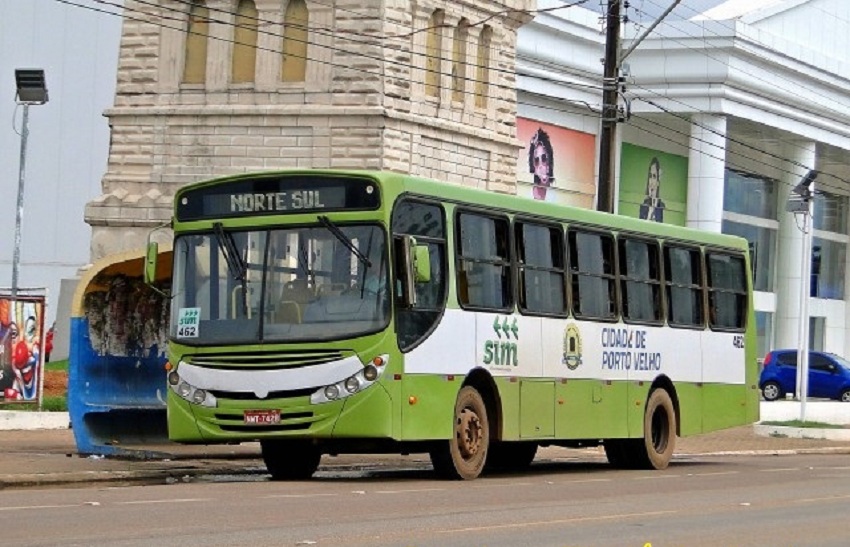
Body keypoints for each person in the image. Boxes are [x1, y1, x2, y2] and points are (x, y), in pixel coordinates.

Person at [528, 128, 555, 200]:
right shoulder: (528, 194)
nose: (540, 166)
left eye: (544, 159)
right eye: (536, 161)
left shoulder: (555, 195)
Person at [639, 157, 666, 222]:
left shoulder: (661, 206)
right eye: (650, 176)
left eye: (654, 176)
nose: (651, 181)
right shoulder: (644, 205)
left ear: (658, 181)